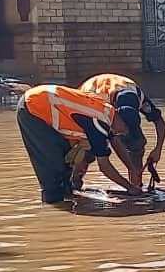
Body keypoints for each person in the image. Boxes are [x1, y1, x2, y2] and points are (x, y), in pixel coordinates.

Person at [16, 84, 145, 203]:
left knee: (65, 166)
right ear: (122, 121)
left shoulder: (108, 114)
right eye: (124, 130)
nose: (122, 134)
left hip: (41, 101)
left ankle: (67, 199)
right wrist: (129, 188)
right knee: (53, 171)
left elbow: (114, 142)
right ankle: (54, 210)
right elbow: (104, 166)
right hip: (33, 108)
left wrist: (132, 169)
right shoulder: (99, 123)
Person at [78, 73, 165, 189]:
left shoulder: (138, 96)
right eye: (123, 129)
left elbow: (159, 121)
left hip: (114, 94)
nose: (124, 133)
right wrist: (129, 168)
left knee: (137, 144)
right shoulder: (103, 104)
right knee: (87, 151)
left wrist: (158, 148)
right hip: (85, 106)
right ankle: (75, 180)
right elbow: (113, 139)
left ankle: (136, 183)